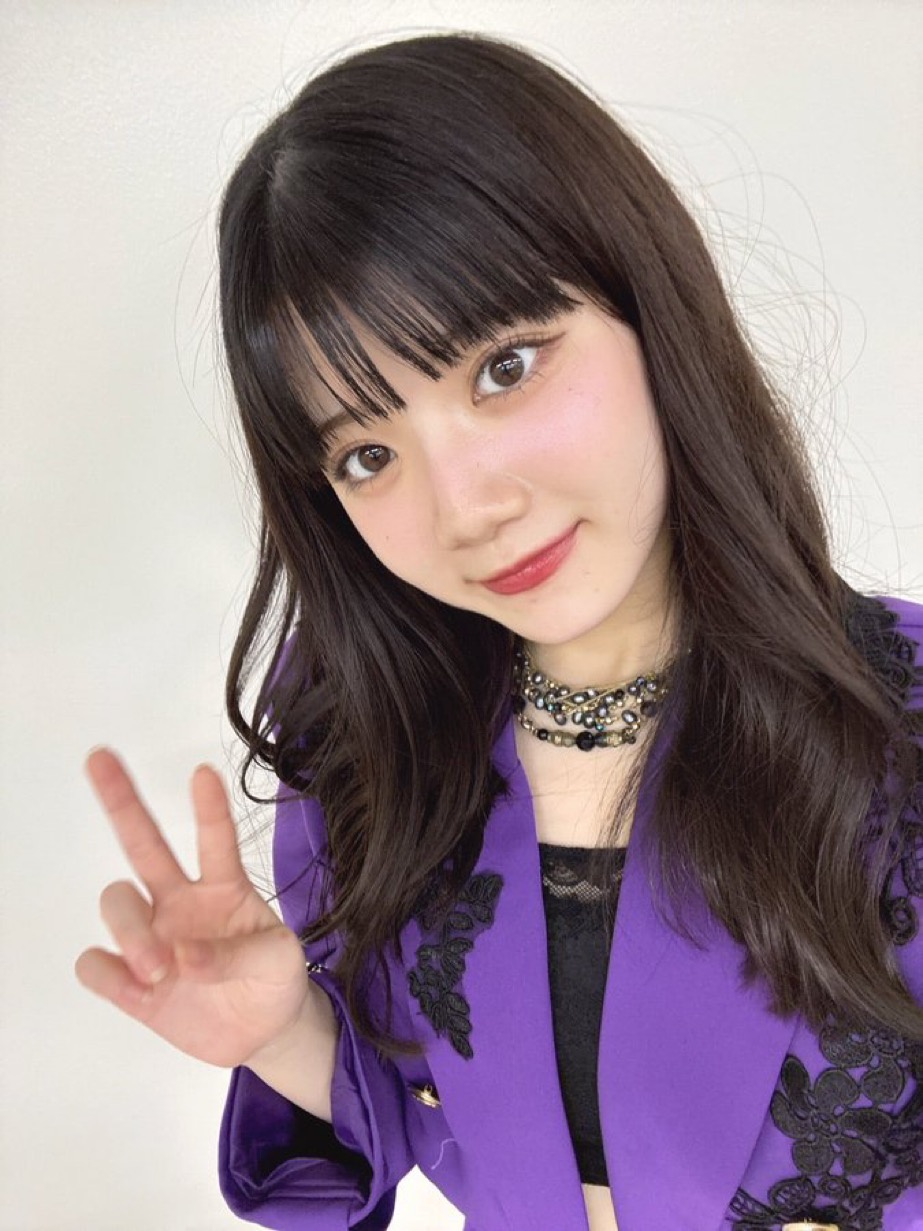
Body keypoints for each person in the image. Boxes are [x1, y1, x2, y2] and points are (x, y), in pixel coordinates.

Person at [75, 29, 923, 1231]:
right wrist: (282, 1033)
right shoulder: (363, 741)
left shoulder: (900, 721)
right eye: (367, 454)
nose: (464, 506)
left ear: (647, 305)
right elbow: (453, 1129)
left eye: (504, 367)